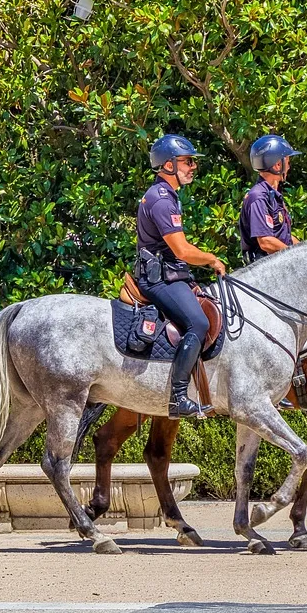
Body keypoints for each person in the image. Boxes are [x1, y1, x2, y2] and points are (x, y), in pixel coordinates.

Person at [135, 134, 227, 418]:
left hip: (172, 275)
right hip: (158, 279)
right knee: (198, 323)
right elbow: (182, 250)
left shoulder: (168, 195)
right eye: (187, 162)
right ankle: (177, 397)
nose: (192, 167)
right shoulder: (161, 199)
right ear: (168, 165)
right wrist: (211, 259)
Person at [239, 134, 303, 263]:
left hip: (279, 265)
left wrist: (305, 251)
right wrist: (297, 258)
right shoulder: (258, 197)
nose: (289, 167)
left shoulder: (272, 194)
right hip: (266, 272)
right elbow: (266, 242)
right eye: (288, 162)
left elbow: (285, 237)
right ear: (278, 165)